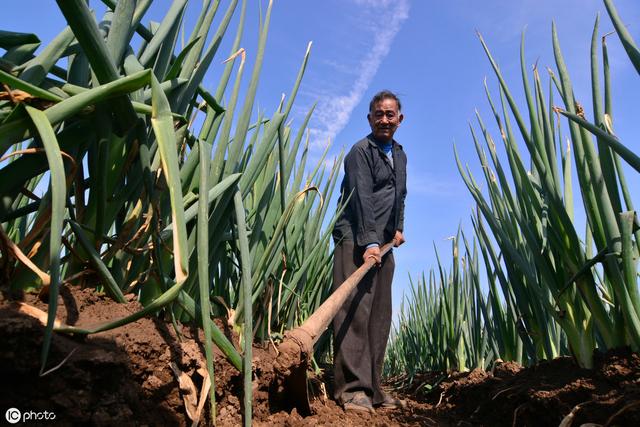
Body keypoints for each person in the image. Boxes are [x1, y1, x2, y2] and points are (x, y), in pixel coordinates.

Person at [331, 90, 407, 413]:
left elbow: (399, 193)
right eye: (379, 114)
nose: (384, 120)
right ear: (370, 118)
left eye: (390, 115)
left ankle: (373, 388)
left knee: (379, 314)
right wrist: (370, 243)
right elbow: (361, 198)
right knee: (354, 311)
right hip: (355, 238)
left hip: (384, 243)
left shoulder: (400, 154)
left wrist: (398, 228)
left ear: (399, 119)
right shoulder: (360, 152)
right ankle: (351, 389)